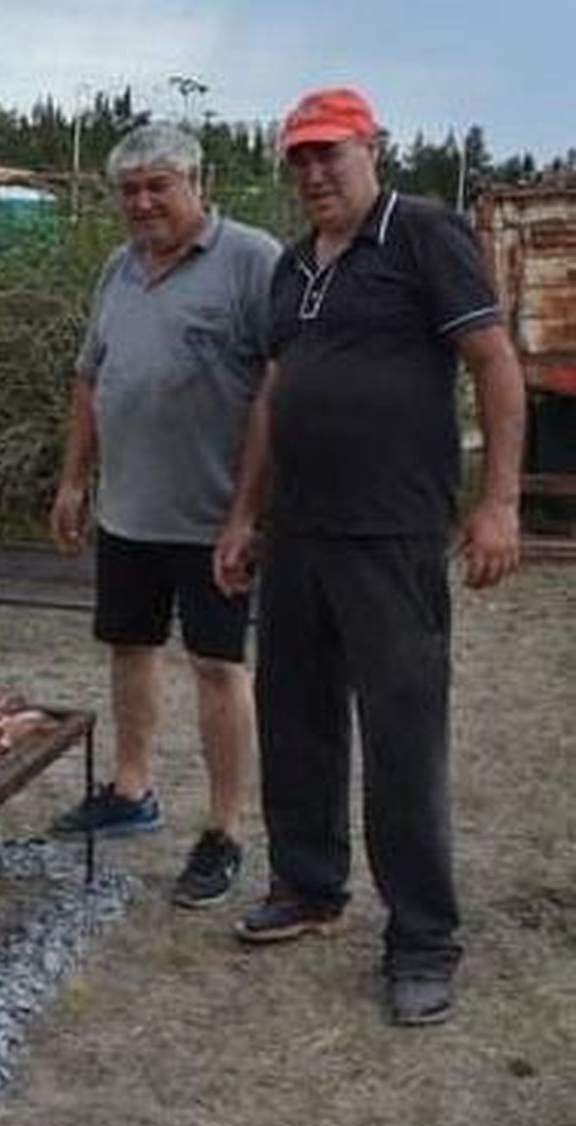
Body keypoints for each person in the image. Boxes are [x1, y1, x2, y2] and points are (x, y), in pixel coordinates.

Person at [213, 88, 524, 1026]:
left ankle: (423, 937)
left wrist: (500, 502)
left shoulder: (423, 232)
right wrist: (243, 515)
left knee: (402, 739)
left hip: (391, 533)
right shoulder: (293, 265)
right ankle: (309, 886)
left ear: (371, 148)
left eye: (328, 154)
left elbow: (494, 361)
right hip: (299, 534)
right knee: (296, 718)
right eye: (298, 160)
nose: (313, 174)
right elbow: (274, 393)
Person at [49, 123, 281, 908]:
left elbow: (275, 393)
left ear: (195, 183)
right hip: (129, 510)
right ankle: (132, 787)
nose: (142, 202)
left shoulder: (251, 260)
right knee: (129, 647)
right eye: (129, 190)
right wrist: (75, 481)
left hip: (214, 517)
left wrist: (248, 513)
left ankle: (225, 831)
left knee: (218, 666)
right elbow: (90, 377)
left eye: (158, 186)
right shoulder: (118, 267)